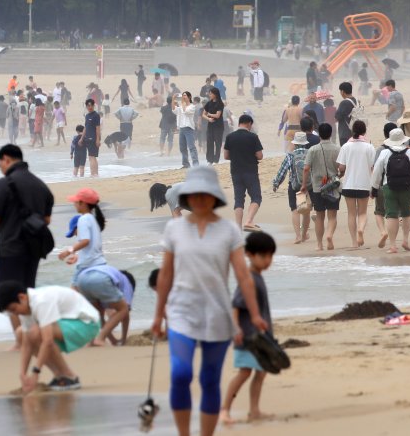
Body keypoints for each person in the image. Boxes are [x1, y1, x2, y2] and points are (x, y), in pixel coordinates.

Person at [151, 166, 268, 436]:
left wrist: (254, 314)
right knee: (180, 375)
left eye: (206, 194)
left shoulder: (229, 231)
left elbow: (243, 275)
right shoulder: (174, 229)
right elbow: (166, 274)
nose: (200, 199)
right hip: (181, 312)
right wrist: (159, 315)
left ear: (214, 196)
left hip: (217, 314)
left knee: (209, 379)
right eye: (195, 194)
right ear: (187, 197)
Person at [0, 145, 54, 348]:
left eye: (0, 163)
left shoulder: (4, 184)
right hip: (34, 248)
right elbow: (46, 220)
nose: (0, 167)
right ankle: (31, 335)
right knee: (27, 293)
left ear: (6, 159)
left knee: (7, 294)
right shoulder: (41, 186)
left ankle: (22, 340)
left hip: (10, 246)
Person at [0, 281, 99, 393]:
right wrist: (23, 374)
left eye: (14, 309)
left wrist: (35, 373)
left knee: (37, 332)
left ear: (22, 297)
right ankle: (60, 376)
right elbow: (26, 344)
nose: (15, 314)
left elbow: (47, 341)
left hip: (87, 324)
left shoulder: (41, 301)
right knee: (21, 333)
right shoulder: (27, 304)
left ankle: (70, 377)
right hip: (68, 323)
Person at [58, 188, 128, 346]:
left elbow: (85, 241)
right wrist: (76, 255)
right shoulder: (92, 220)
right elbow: (90, 246)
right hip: (97, 269)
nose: (74, 204)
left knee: (91, 310)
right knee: (113, 310)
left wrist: (69, 250)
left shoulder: (83, 219)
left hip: (86, 273)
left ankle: (88, 338)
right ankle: (100, 338)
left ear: (83, 203)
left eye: (76, 201)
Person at [220, 232, 277, 425]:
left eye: (270, 256)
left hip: (261, 337)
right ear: (249, 255)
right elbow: (236, 306)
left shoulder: (257, 277)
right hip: (247, 337)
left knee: (260, 372)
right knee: (244, 372)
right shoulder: (249, 279)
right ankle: (225, 410)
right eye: (263, 256)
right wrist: (235, 329)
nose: (268, 260)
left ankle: (254, 411)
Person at [371, 129, 410, 253]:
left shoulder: (384, 153)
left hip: (389, 188)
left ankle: (392, 245)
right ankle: (405, 240)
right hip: (407, 188)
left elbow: (377, 172)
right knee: (406, 214)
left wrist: (374, 188)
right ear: (403, 140)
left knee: (391, 215)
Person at [300, 124, 341, 251]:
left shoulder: (313, 149)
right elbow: (341, 167)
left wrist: (303, 185)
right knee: (332, 216)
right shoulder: (337, 149)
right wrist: (340, 174)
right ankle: (329, 235)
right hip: (333, 186)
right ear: (330, 134)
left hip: (317, 187)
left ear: (319, 134)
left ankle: (319, 244)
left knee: (319, 216)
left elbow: (306, 168)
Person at [337, 121, 375, 247]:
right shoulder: (369, 147)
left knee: (351, 213)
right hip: (364, 183)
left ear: (352, 131)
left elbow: (341, 167)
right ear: (364, 131)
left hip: (348, 184)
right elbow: (373, 167)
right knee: (362, 213)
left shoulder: (346, 146)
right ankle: (361, 230)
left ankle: (354, 242)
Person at [224, 114, 264, 231]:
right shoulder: (253, 137)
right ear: (249, 124)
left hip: (236, 171)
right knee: (256, 197)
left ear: (239, 123)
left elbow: (226, 156)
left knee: (239, 199)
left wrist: (237, 156)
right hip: (250, 171)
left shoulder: (230, 137)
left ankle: (237, 227)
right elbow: (260, 156)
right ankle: (249, 221)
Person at [273, 132, 311, 243]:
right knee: (305, 211)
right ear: (304, 143)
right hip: (307, 185)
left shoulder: (290, 155)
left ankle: (298, 236)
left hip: (294, 186)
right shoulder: (310, 153)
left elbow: (282, 171)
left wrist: (276, 184)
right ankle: (304, 234)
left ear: (295, 143)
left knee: (295, 210)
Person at [373, 123, 399, 247]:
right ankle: (394, 241)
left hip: (382, 185)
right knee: (392, 213)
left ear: (384, 133)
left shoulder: (380, 150)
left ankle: (383, 232)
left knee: (379, 212)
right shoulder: (403, 149)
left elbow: (376, 169)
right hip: (399, 186)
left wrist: (373, 187)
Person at [173, 91, 198, 168]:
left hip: (189, 129)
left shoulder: (192, 106)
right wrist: (173, 99)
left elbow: (186, 112)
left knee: (191, 147)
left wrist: (183, 104)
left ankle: (196, 164)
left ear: (189, 97)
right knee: (182, 148)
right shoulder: (180, 107)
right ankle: (185, 164)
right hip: (181, 128)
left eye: (185, 96)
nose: (183, 97)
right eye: (183, 96)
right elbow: (174, 110)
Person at [203, 88, 225, 164]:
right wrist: (208, 119)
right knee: (209, 142)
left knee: (218, 142)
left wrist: (209, 114)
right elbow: (203, 114)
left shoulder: (220, 103)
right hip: (210, 125)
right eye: (209, 93)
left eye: (211, 93)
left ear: (215, 94)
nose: (209, 95)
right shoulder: (209, 103)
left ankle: (216, 159)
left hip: (218, 126)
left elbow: (218, 115)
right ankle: (210, 160)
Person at [81, 99, 101, 177]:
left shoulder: (96, 115)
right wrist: (81, 138)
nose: (90, 107)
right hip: (87, 138)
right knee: (92, 157)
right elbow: (85, 128)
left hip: (93, 139)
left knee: (92, 157)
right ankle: (95, 174)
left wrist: (98, 139)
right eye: (88, 105)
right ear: (86, 106)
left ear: (94, 105)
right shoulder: (87, 116)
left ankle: (93, 173)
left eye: (91, 105)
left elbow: (98, 128)